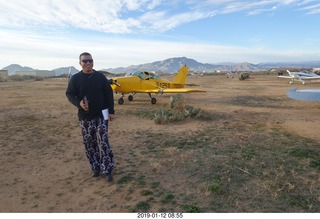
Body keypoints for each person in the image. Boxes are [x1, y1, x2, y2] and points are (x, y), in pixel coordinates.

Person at [66, 52, 115, 182]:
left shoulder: (100, 77)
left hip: (101, 115)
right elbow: (70, 94)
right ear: (80, 63)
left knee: (103, 141)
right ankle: (95, 167)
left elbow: (108, 94)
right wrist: (79, 103)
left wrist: (111, 111)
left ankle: (107, 169)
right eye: (85, 61)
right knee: (90, 142)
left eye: (90, 60)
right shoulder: (75, 79)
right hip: (85, 117)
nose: (88, 63)